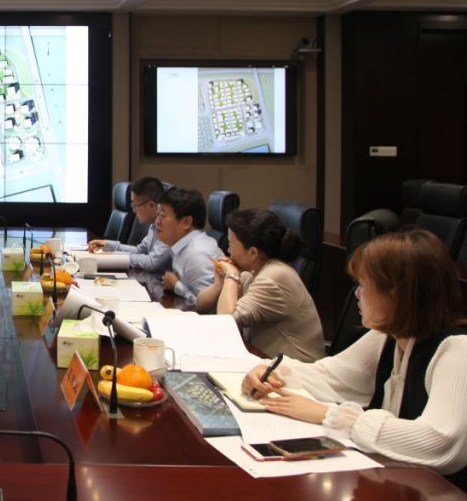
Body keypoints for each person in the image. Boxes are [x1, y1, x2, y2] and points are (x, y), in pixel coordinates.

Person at [243, 230, 467, 483]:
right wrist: (269, 371)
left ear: (395, 294)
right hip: (397, 480)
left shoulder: (457, 349)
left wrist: (330, 415)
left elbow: (439, 441)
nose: (358, 295)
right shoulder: (389, 335)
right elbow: (331, 377)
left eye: (363, 285)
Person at [197, 209, 325, 362]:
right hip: (265, 361)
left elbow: (225, 322)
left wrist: (231, 276)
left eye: (231, 244)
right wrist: (219, 284)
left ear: (253, 252)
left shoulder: (273, 277)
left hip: (296, 371)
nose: (228, 251)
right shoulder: (252, 272)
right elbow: (201, 306)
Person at [154, 187, 222, 308]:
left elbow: (207, 308)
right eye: (157, 215)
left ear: (186, 222)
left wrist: (177, 286)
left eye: (162, 216)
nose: (156, 222)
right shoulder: (182, 246)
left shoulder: (197, 255)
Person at [87, 177, 171, 272]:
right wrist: (108, 245)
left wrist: (117, 256)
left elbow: (152, 263)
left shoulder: (168, 227)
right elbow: (139, 251)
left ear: (151, 205)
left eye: (135, 205)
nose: (134, 211)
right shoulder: (153, 225)